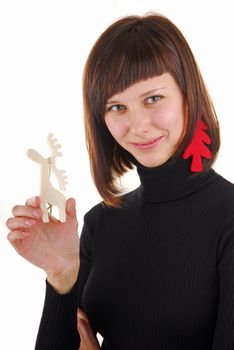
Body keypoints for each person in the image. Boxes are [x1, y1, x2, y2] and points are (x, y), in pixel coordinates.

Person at [5, 11, 234, 350]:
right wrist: (62, 277)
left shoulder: (228, 217)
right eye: (117, 107)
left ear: (189, 94)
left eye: (153, 98)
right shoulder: (101, 222)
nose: (138, 125)